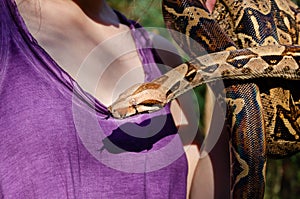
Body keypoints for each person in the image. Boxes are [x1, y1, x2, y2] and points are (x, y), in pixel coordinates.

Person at [0, 0, 201, 198]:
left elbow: (203, 185)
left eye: (134, 106)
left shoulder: (162, 56)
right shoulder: (7, 29)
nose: (119, 112)